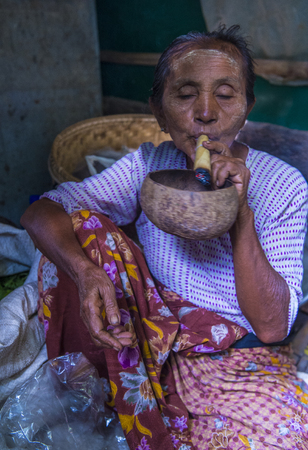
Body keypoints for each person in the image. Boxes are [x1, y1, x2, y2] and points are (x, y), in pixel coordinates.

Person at [21, 25, 308, 450]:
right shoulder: (149, 167)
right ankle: (116, 393)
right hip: (144, 343)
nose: (206, 112)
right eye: (186, 94)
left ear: (247, 107)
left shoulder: (284, 185)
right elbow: (39, 212)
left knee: (291, 434)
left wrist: (240, 213)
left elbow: (269, 326)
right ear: (158, 110)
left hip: (235, 356)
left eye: (226, 95)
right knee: (83, 229)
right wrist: (85, 274)